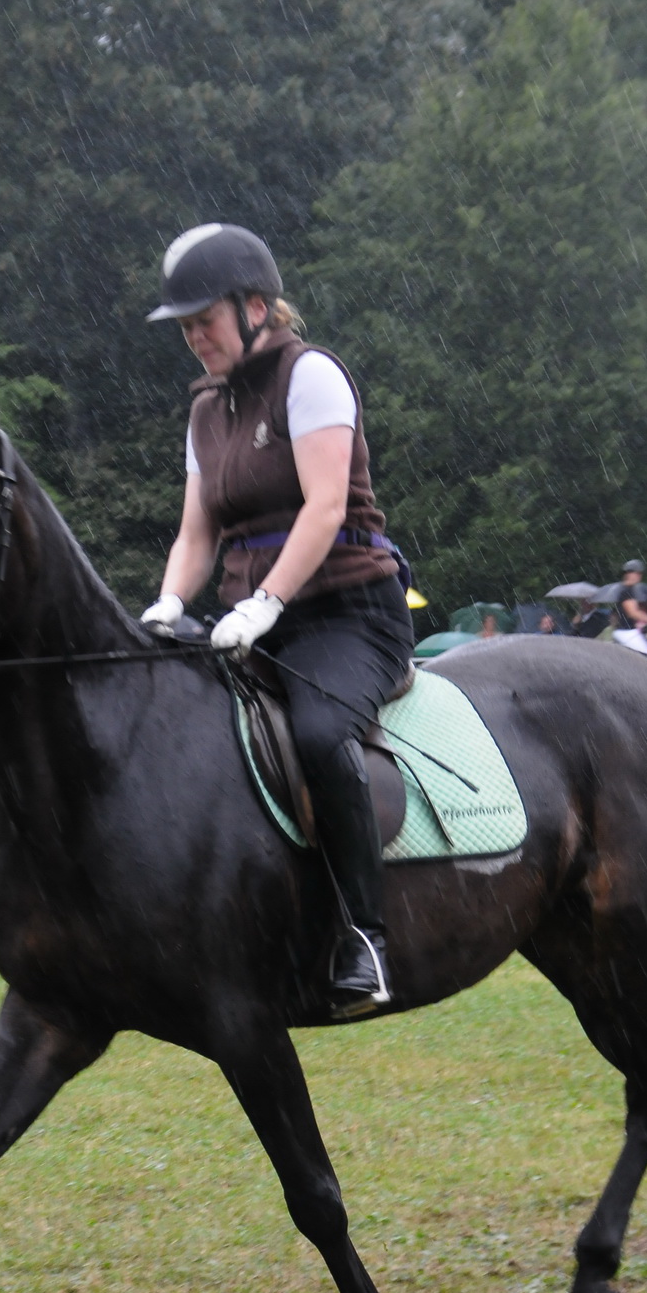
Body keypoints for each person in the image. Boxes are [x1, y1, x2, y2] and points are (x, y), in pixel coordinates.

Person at [140, 223, 414, 1016]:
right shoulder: (205, 410)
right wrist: (169, 604)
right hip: (250, 620)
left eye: (205, 320)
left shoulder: (311, 376)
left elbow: (325, 507)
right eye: (185, 326)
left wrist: (265, 603)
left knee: (323, 736)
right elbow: (198, 532)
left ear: (256, 307)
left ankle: (366, 938)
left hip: (348, 614)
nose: (194, 337)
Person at [616, 559, 647, 629]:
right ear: (628, 574)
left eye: (640, 574)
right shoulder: (626, 590)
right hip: (628, 631)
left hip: (636, 629)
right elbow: (633, 613)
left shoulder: (635, 590)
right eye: (637, 573)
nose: (639, 576)